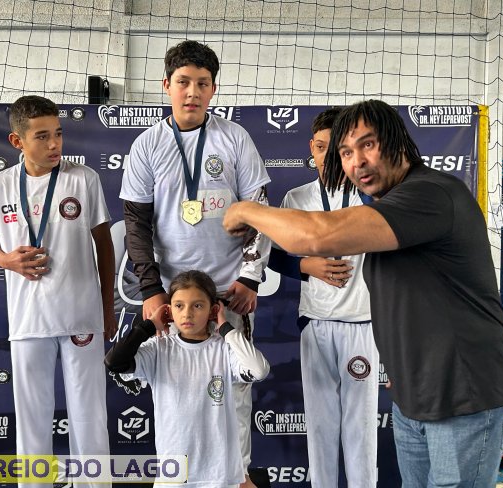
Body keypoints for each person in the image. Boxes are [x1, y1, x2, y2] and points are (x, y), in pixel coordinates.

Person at [223, 99, 503, 487]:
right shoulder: (389, 203)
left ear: (397, 141)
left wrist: (245, 210)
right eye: (346, 152)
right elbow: (403, 296)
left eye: (367, 144)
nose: (356, 161)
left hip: (465, 395)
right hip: (417, 393)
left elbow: (317, 235)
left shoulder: (428, 194)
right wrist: (401, 362)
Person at [120, 40, 270, 487]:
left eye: (203, 83)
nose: (193, 92)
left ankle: (236, 478)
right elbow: (136, 225)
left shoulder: (234, 138)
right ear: (166, 85)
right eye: (183, 82)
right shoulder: (147, 145)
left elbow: (259, 210)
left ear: (213, 89)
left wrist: (250, 277)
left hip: (227, 293)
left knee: (234, 395)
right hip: (175, 300)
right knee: (179, 398)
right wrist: (152, 291)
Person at [0, 95, 115, 487]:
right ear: (17, 141)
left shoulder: (83, 178)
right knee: (32, 420)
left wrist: (106, 308)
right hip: (28, 318)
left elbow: (105, 246)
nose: (54, 144)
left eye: (58, 134)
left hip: (82, 316)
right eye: (42, 136)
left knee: (89, 417)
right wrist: (7, 260)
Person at [268, 107, 379, 487]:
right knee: (320, 425)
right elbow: (272, 255)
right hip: (316, 322)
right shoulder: (297, 198)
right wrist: (306, 266)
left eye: (335, 148)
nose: (326, 156)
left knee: (361, 428)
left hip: (362, 323)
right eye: (320, 147)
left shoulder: (370, 197)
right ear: (311, 149)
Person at [104, 270, 270, 487]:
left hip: (219, 475)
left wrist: (226, 328)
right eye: (179, 306)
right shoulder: (158, 349)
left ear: (213, 310)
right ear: (169, 310)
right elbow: (114, 362)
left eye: (198, 306)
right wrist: (148, 326)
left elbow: (259, 370)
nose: (187, 314)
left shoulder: (224, 350)